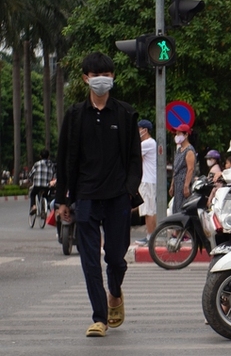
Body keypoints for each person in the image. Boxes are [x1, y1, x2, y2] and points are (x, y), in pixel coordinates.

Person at [55, 52, 142, 337]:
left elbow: (133, 159)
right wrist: (63, 200)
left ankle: (115, 291)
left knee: (115, 258)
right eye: (95, 75)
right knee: (89, 260)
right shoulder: (75, 115)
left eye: (106, 74)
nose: (101, 79)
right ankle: (99, 318)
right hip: (86, 197)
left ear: (113, 77)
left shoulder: (126, 113)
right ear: (85, 79)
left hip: (118, 197)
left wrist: (130, 193)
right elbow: (65, 158)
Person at [134, 120, 157, 246]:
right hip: (149, 180)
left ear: (145, 130)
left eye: (139, 129)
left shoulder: (147, 143)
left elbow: (136, 158)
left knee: (148, 210)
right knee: (150, 209)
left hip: (147, 180)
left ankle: (150, 237)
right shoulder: (151, 143)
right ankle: (151, 236)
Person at [169, 124, 196, 214]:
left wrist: (186, 186)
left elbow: (190, 169)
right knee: (176, 209)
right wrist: (172, 184)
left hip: (184, 183)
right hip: (177, 184)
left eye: (179, 133)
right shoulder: (179, 150)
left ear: (186, 135)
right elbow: (176, 169)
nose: (176, 136)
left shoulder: (189, 150)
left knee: (183, 210)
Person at [28, 149, 55, 214]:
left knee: (33, 194)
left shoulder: (37, 164)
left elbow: (31, 174)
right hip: (47, 185)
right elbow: (54, 173)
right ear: (48, 156)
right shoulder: (51, 164)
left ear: (40, 156)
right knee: (45, 195)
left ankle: (34, 206)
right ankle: (43, 210)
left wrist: (31, 179)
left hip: (37, 185)